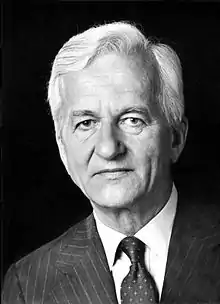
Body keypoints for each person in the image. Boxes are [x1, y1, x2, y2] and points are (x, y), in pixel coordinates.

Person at [2, 21, 220, 304]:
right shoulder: (27, 285)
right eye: (86, 123)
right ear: (62, 147)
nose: (108, 148)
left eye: (132, 120)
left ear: (176, 138)